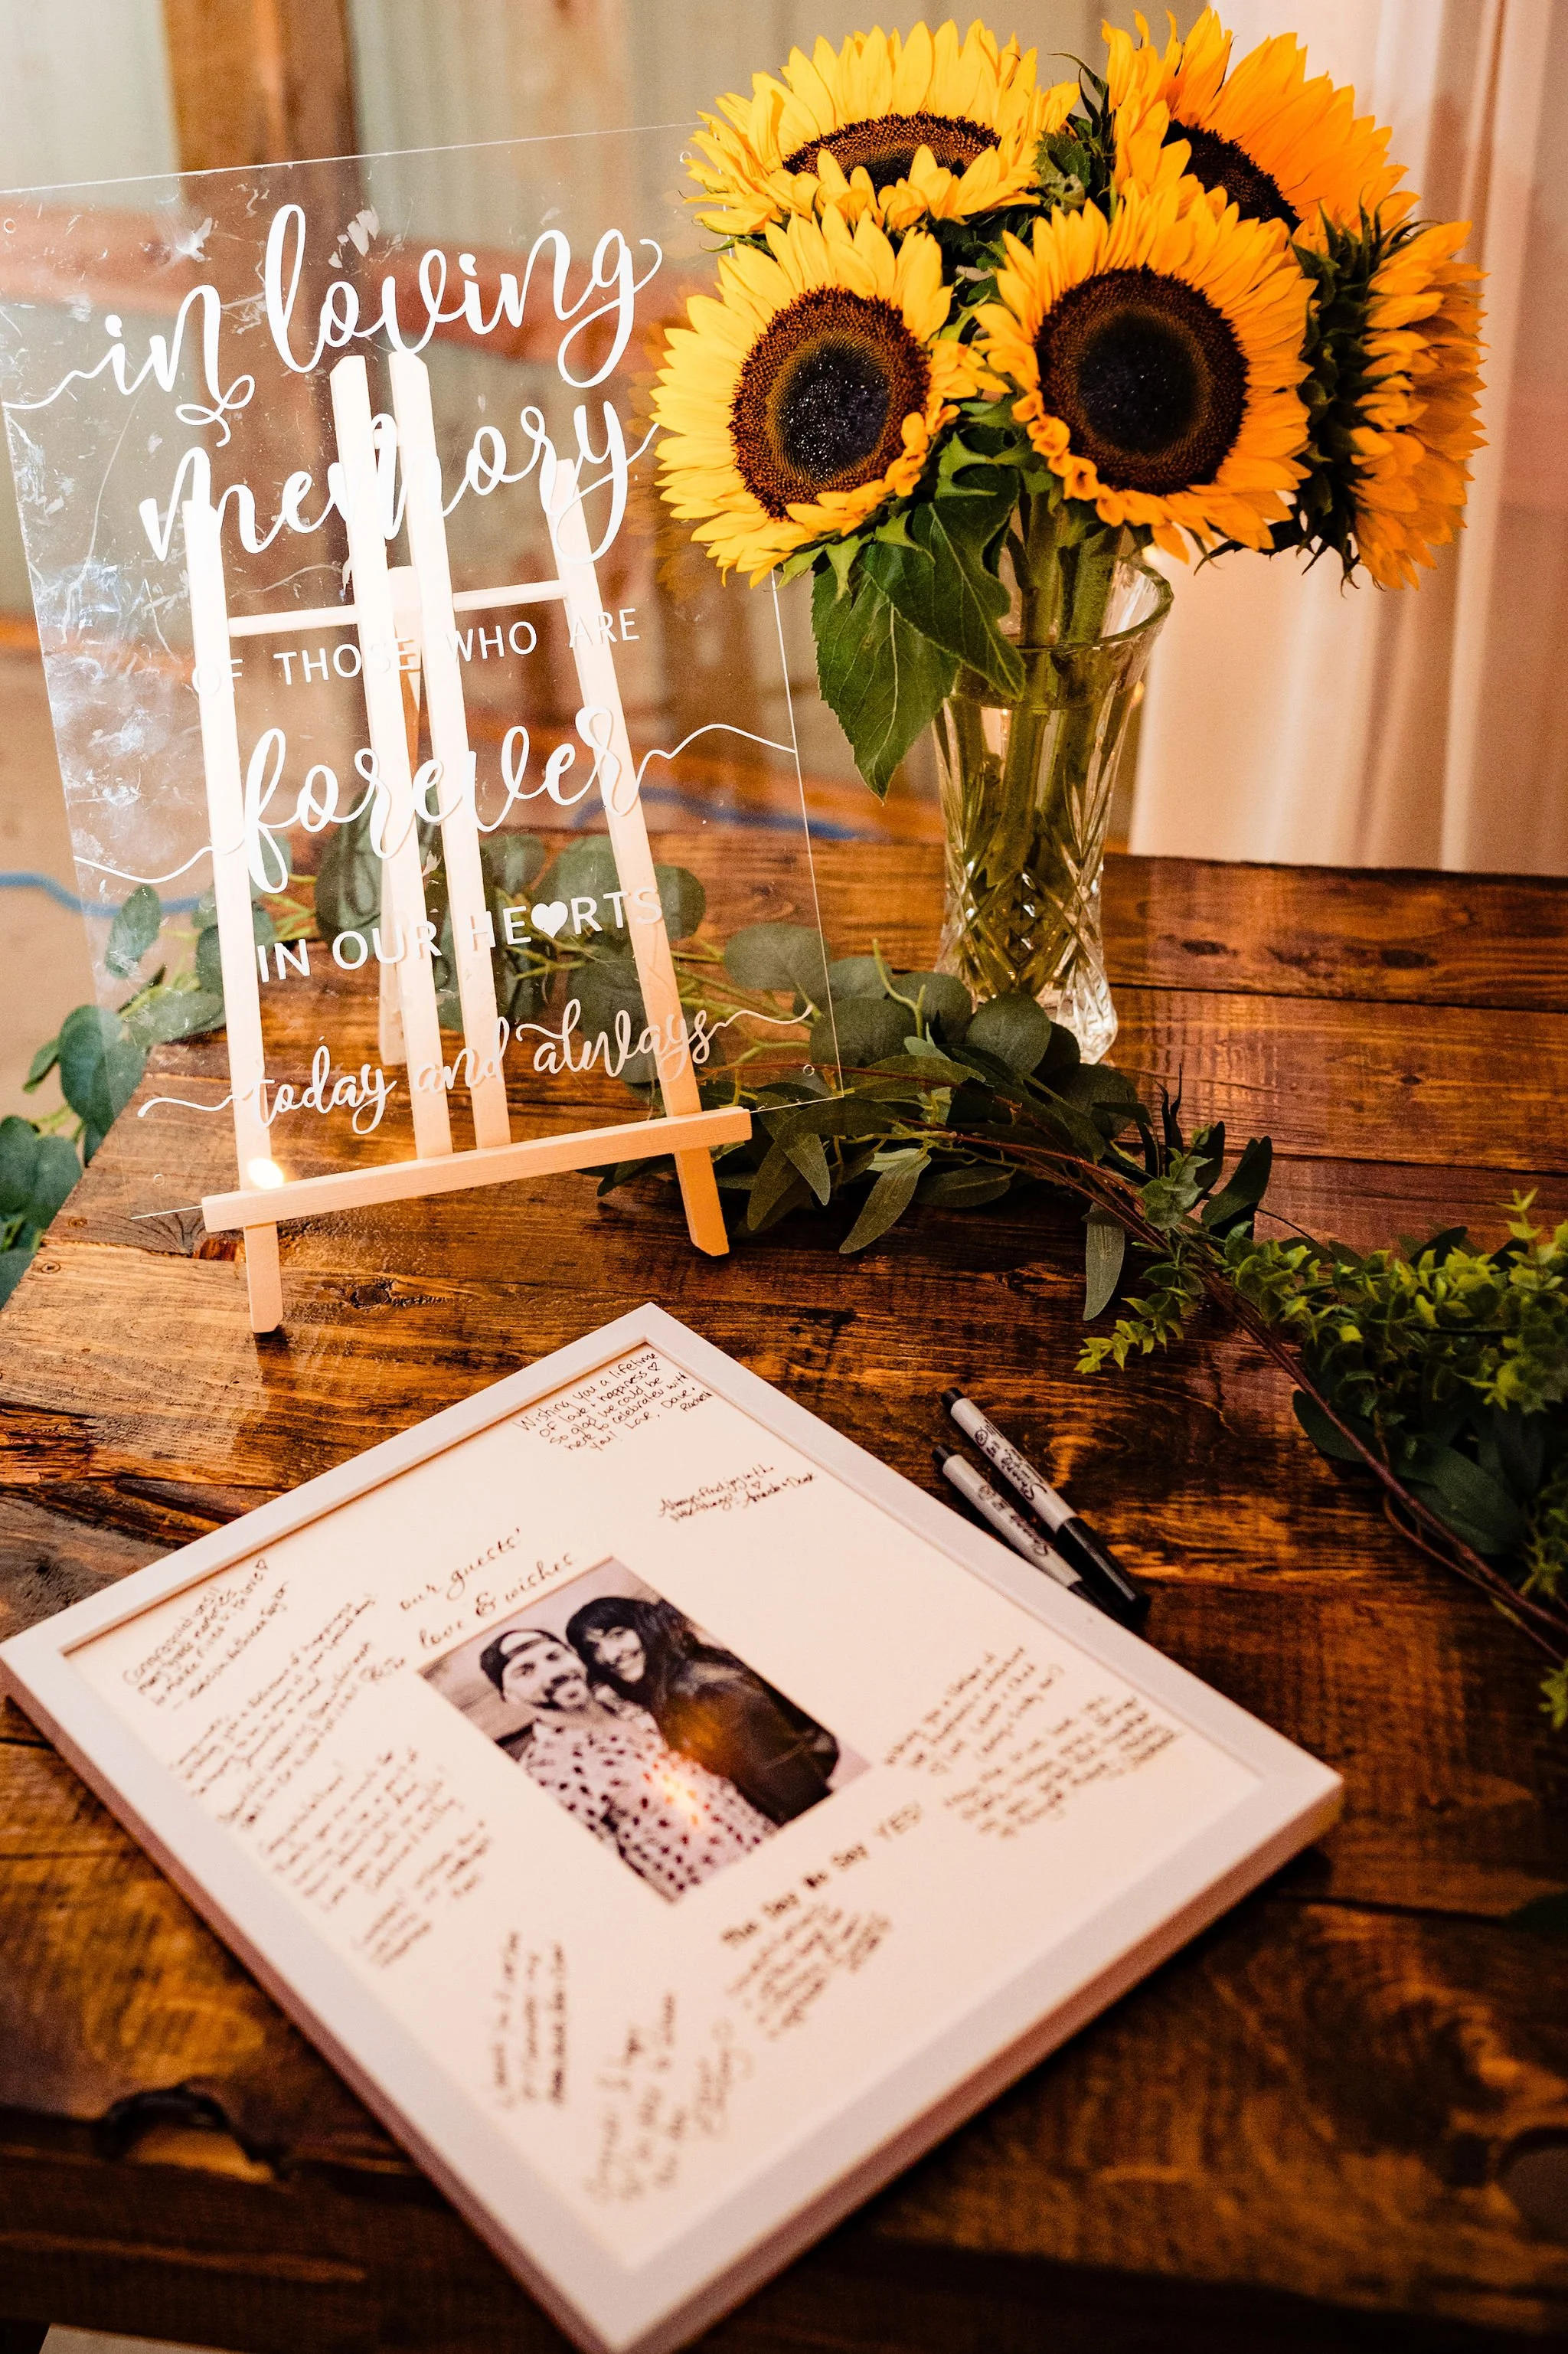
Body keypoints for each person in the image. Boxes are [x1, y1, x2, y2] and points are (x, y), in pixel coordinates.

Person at [477, 1623, 773, 1901]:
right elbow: (605, 1884)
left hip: (769, 1850)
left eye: (554, 1656)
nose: (552, 1673)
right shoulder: (545, 1773)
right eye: (525, 1671)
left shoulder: (640, 1704)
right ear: (509, 1696)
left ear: (576, 1659)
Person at [564, 1594, 838, 1826]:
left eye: (618, 1635)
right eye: (594, 1648)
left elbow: (791, 1781)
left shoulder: (705, 1688)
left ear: (645, 1628)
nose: (610, 1655)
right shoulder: (670, 1687)